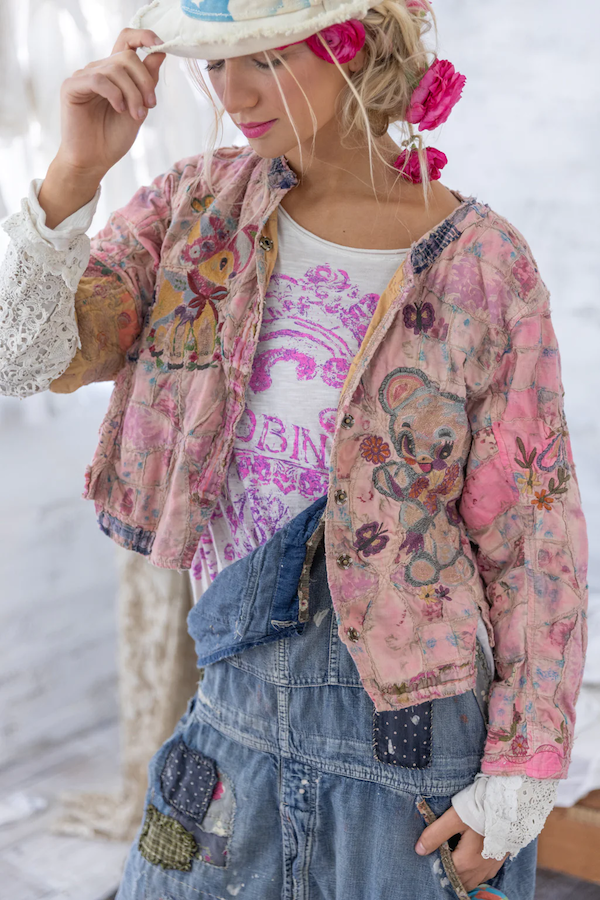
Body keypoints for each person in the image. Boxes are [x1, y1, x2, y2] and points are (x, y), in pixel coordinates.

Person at [0, 0, 588, 897]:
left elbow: (535, 538)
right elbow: (23, 358)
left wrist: (517, 778)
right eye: (216, 63)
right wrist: (74, 173)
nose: (231, 93)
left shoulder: (484, 265)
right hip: (228, 725)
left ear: (361, 49)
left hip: (415, 764)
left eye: (266, 60)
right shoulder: (193, 214)